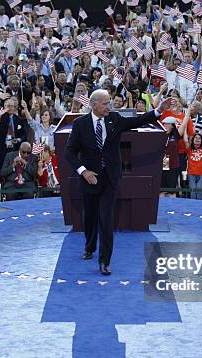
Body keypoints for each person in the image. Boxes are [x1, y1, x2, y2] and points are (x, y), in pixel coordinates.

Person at [64, 89, 172, 275]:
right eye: (105, 104)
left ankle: (105, 261)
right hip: (89, 178)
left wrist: (158, 111)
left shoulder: (115, 119)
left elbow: (137, 120)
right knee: (89, 217)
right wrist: (83, 171)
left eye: (109, 103)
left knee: (106, 219)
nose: (110, 106)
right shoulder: (80, 124)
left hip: (110, 178)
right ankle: (89, 247)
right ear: (93, 105)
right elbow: (69, 152)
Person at [160, 116, 182, 198]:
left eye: (167, 124)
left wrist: (187, 114)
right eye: (164, 124)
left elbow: (183, 126)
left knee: (171, 190)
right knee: (162, 189)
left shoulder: (175, 134)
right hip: (164, 161)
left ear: (172, 125)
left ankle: (172, 208)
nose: (165, 125)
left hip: (173, 163)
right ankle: (161, 208)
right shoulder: (160, 134)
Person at [186, 134, 202, 200]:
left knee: (199, 189)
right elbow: (185, 140)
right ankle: (193, 206)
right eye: (196, 138)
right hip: (191, 173)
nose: (197, 139)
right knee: (193, 189)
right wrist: (185, 128)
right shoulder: (189, 149)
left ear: (201, 141)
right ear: (193, 140)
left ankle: (200, 207)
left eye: (199, 138)